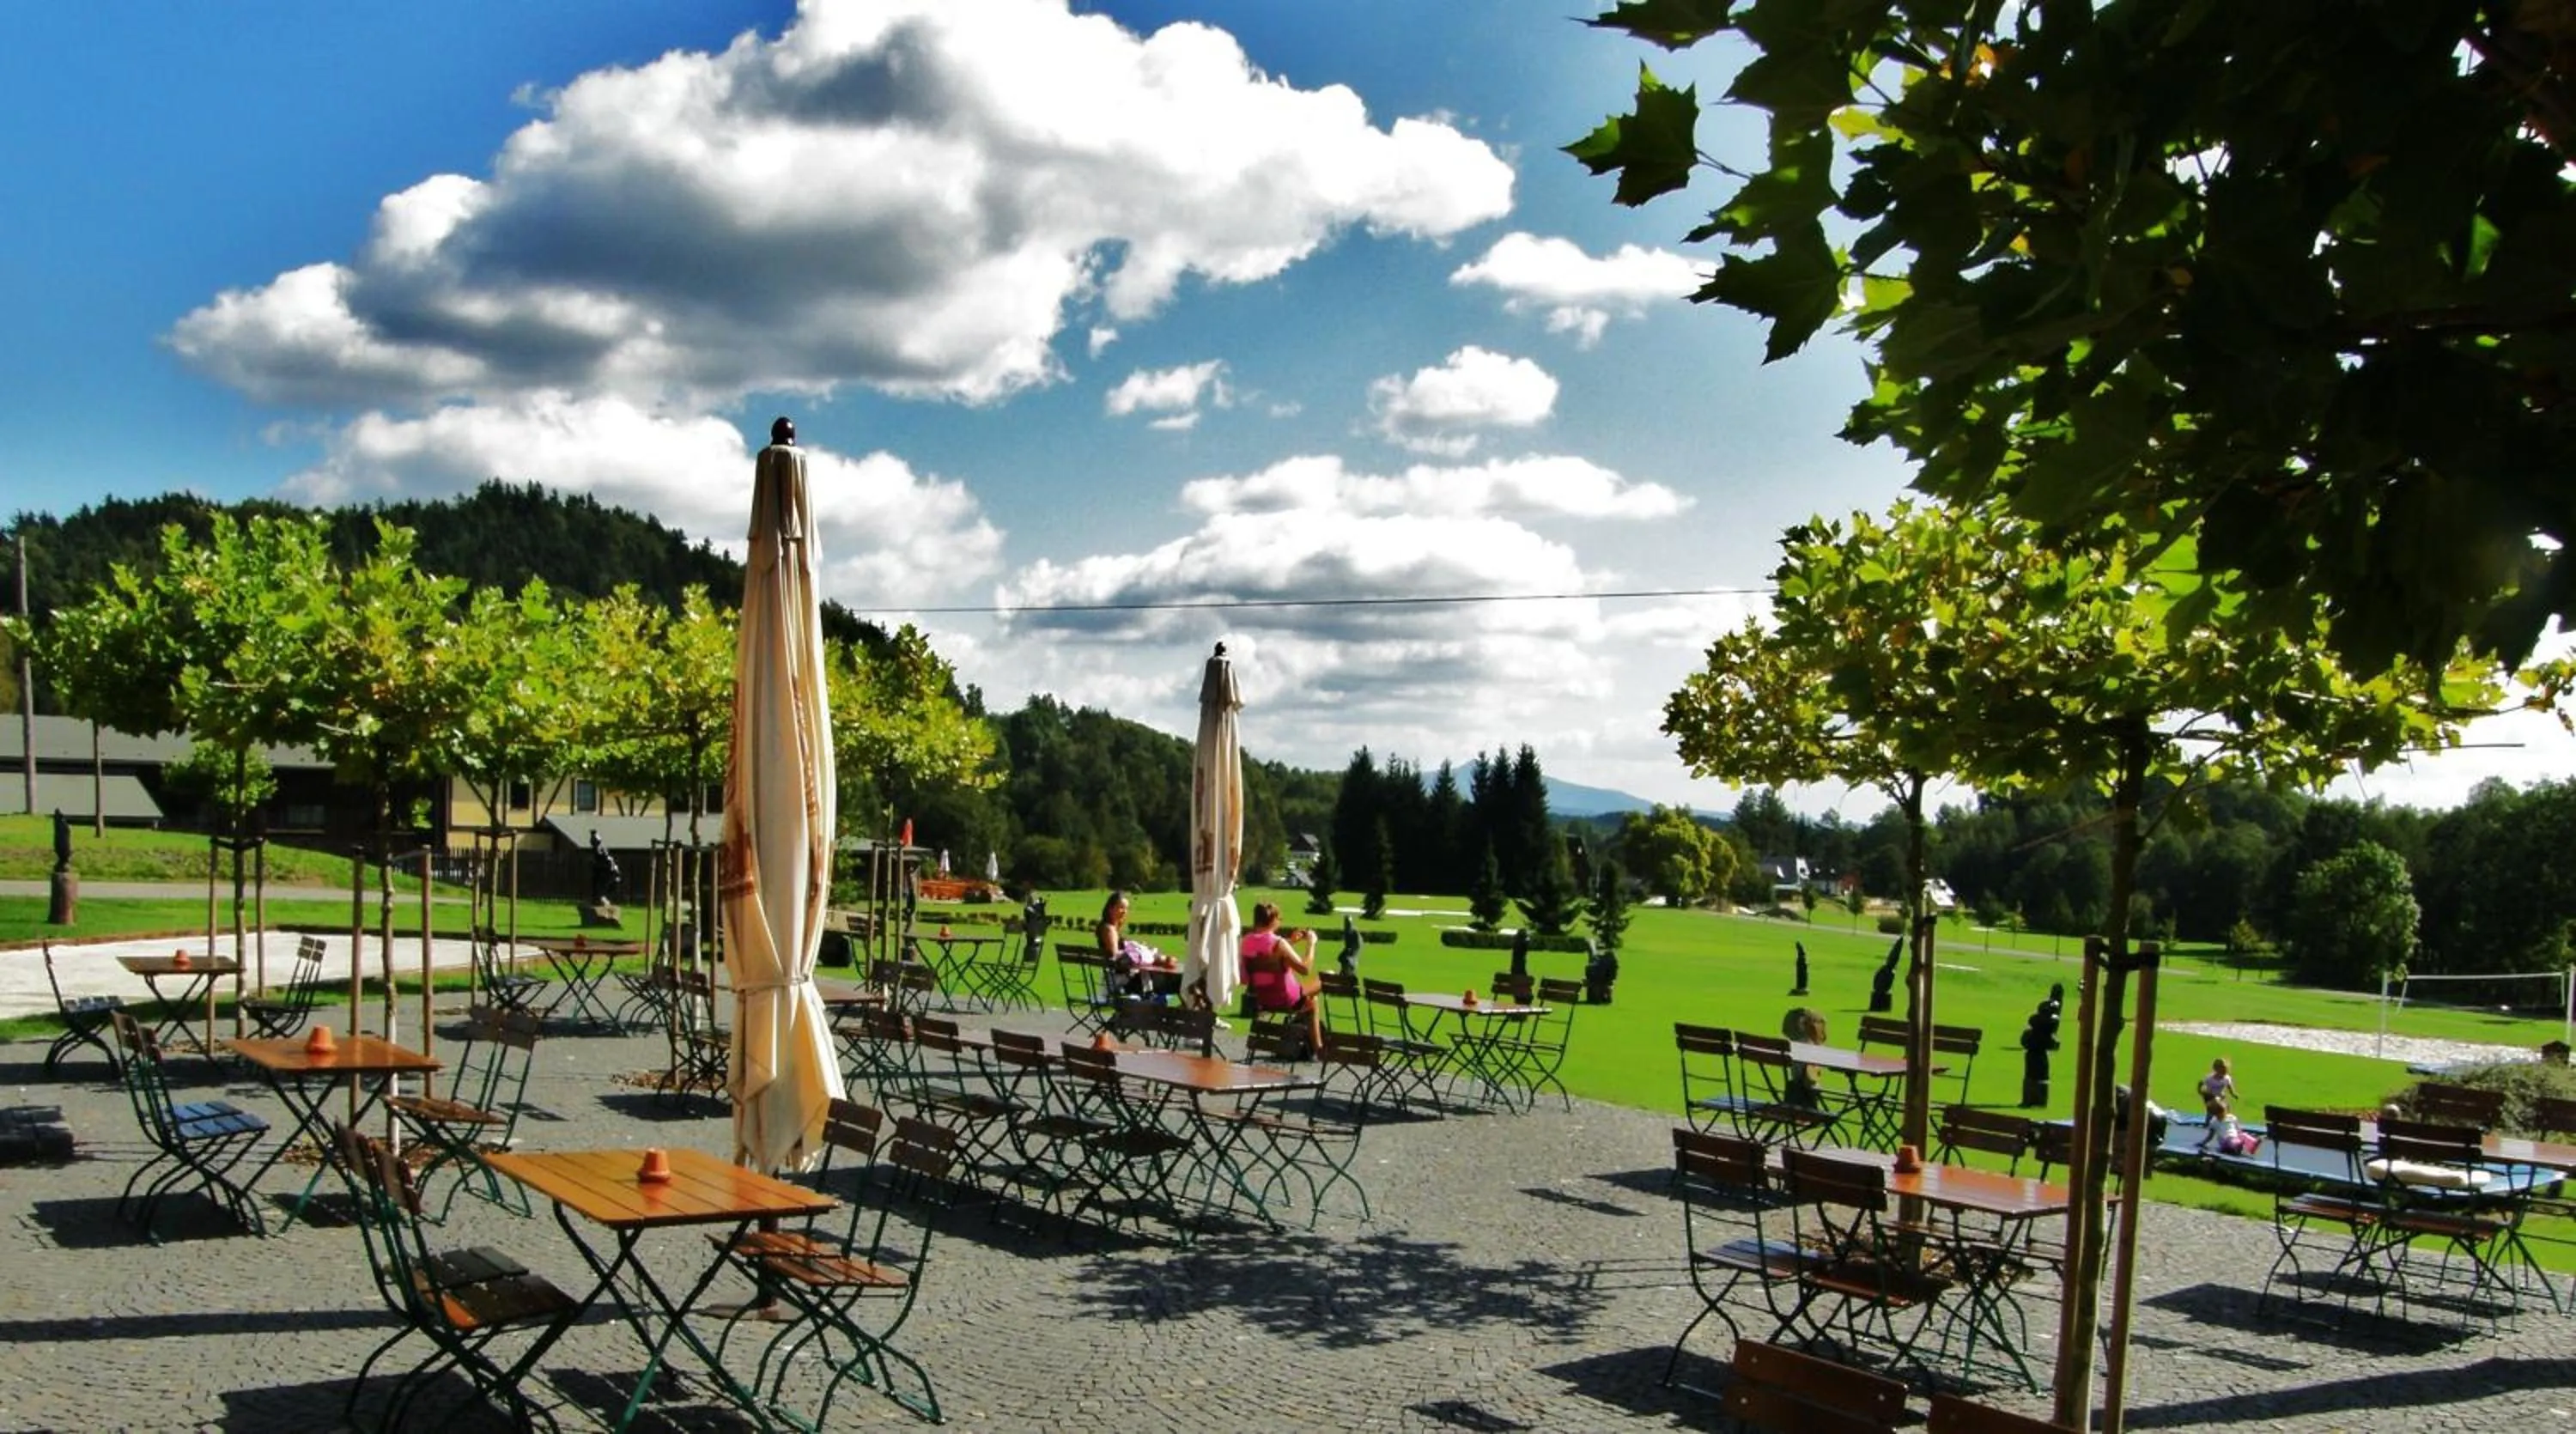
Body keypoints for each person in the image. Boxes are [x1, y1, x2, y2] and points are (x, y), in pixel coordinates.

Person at [1239, 902, 1325, 1057]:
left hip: (1262, 999)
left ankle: (1302, 1026)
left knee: (1309, 1000)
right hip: (1287, 999)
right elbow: (1305, 969)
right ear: (1273, 920)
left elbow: (1244, 978)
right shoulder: (1279, 943)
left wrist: (1291, 942)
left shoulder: (1245, 942)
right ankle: (1319, 1048)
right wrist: (1311, 944)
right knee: (1323, 982)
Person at [1095, 890, 1180, 1003]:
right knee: (1177, 981)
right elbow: (1115, 957)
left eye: (1126, 908)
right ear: (1111, 908)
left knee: (1169, 978)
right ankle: (1176, 1013)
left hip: (1120, 980)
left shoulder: (1108, 928)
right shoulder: (1109, 929)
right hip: (1122, 983)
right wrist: (1138, 953)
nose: (1124, 911)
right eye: (1121, 908)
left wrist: (1138, 950)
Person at [2196, 1056, 2239, 1151]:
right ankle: (2208, 1123)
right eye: (2221, 1071)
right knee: (2211, 1112)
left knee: (2226, 1108)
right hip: (2211, 1098)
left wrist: (2233, 1094)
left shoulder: (2226, 1078)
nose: (2223, 1074)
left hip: (2221, 1098)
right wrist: (2200, 1090)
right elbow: (2202, 1086)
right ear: (2216, 1070)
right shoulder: (2210, 1078)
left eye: (2225, 1071)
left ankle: (2226, 1121)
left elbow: (2229, 1087)